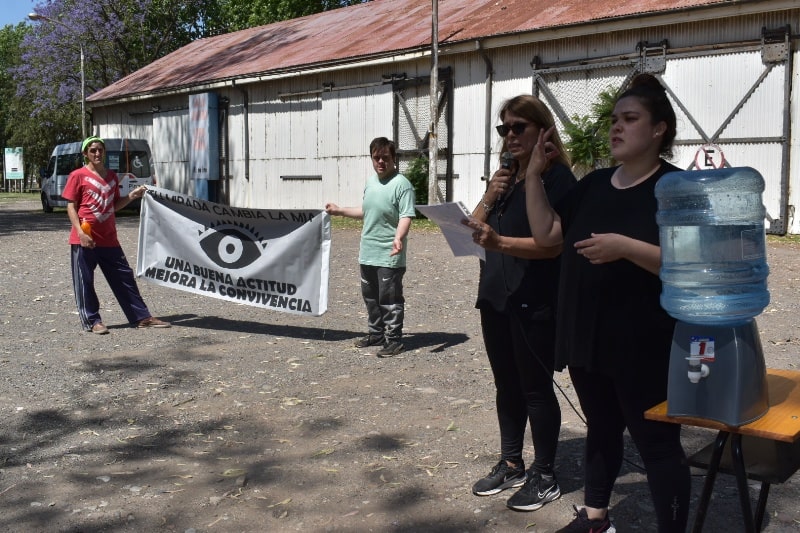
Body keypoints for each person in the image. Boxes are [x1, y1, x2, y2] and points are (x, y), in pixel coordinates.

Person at [524, 74, 691, 532]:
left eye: (630, 119)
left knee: (657, 444)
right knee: (600, 427)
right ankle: (596, 518)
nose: (616, 127)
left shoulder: (677, 189)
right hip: (588, 336)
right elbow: (547, 235)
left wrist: (626, 247)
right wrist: (534, 176)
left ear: (659, 129)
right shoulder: (595, 184)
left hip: (646, 341)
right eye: (614, 119)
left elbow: (693, 266)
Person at [464, 95, 576, 511]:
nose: (509, 135)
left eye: (518, 127)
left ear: (542, 130)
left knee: (535, 389)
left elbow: (553, 246)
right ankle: (512, 462)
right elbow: (473, 230)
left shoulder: (557, 179)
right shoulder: (506, 177)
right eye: (504, 128)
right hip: (496, 295)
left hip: (535, 299)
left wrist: (501, 243)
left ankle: (545, 475)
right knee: (506, 386)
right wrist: (489, 195)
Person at [64, 135, 171, 334]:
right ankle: (93, 321)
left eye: (100, 149)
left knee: (124, 277)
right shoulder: (77, 175)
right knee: (85, 281)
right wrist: (80, 232)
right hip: (85, 239)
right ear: (86, 153)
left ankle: (141, 317)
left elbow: (113, 206)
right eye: (93, 150)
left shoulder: (112, 177)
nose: (97, 153)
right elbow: (71, 206)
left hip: (109, 239)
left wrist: (132, 196)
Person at [325, 137, 415, 357]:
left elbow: (406, 215)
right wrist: (339, 210)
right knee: (371, 297)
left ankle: (394, 340)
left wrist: (399, 237)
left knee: (389, 298)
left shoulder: (402, 185)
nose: (381, 162)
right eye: (376, 158)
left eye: (385, 157)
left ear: (393, 158)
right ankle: (376, 334)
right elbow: (366, 211)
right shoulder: (371, 182)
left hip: (389, 253)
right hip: (368, 252)